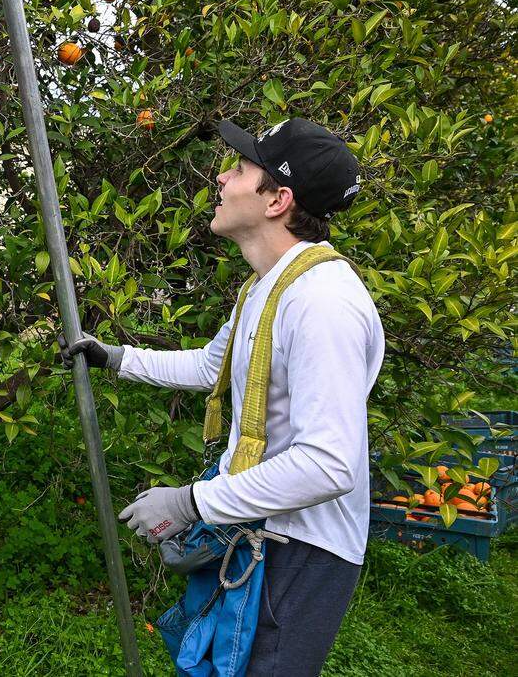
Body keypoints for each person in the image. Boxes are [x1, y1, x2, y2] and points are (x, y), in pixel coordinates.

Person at [61, 118, 385, 675]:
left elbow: (329, 465)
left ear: (277, 199)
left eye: (239, 169)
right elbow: (214, 366)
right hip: (261, 530)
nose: (221, 177)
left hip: (302, 552)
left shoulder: (324, 302)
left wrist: (190, 502)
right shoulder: (267, 285)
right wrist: (115, 358)